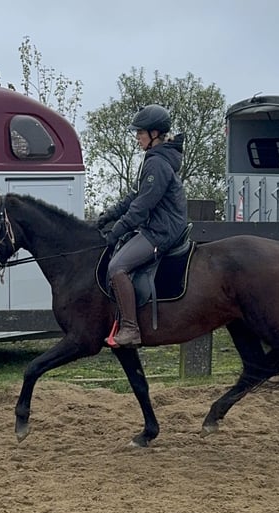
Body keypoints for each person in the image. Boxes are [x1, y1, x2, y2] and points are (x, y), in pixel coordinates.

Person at [97, 104, 188, 348]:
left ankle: (130, 329)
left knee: (117, 266)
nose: (137, 136)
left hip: (162, 231)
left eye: (141, 132)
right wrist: (109, 215)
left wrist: (117, 231)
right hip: (160, 226)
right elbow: (135, 197)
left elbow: (142, 207)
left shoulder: (157, 163)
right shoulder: (155, 159)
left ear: (155, 134)